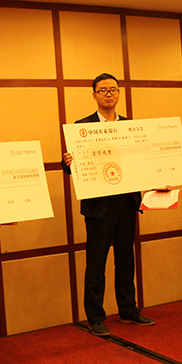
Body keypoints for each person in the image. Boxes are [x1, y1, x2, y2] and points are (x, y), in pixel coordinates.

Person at [61, 73, 154, 337]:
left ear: (119, 93)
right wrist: (68, 162)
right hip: (99, 206)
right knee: (96, 262)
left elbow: (143, 162)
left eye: (113, 89)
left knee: (126, 259)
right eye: (102, 90)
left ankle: (128, 309)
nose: (108, 94)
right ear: (94, 95)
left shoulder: (131, 127)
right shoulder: (81, 127)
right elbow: (69, 168)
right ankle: (95, 316)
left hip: (127, 202)